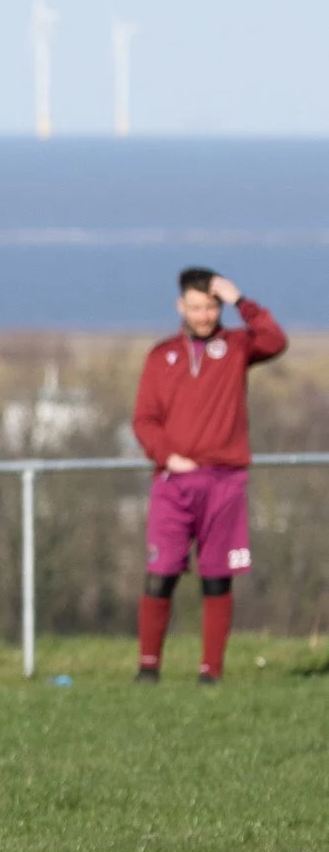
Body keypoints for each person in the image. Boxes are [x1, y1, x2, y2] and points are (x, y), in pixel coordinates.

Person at [131, 269, 287, 684]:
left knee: (217, 578)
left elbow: (275, 340)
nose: (204, 315)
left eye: (211, 306)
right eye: (197, 306)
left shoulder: (237, 346)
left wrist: (242, 301)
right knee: (160, 574)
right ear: (181, 306)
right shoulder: (160, 356)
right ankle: (148, 667)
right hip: (174, 484)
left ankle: (210, 672)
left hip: (225, 482)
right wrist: (168, 456)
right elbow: (144, 419)